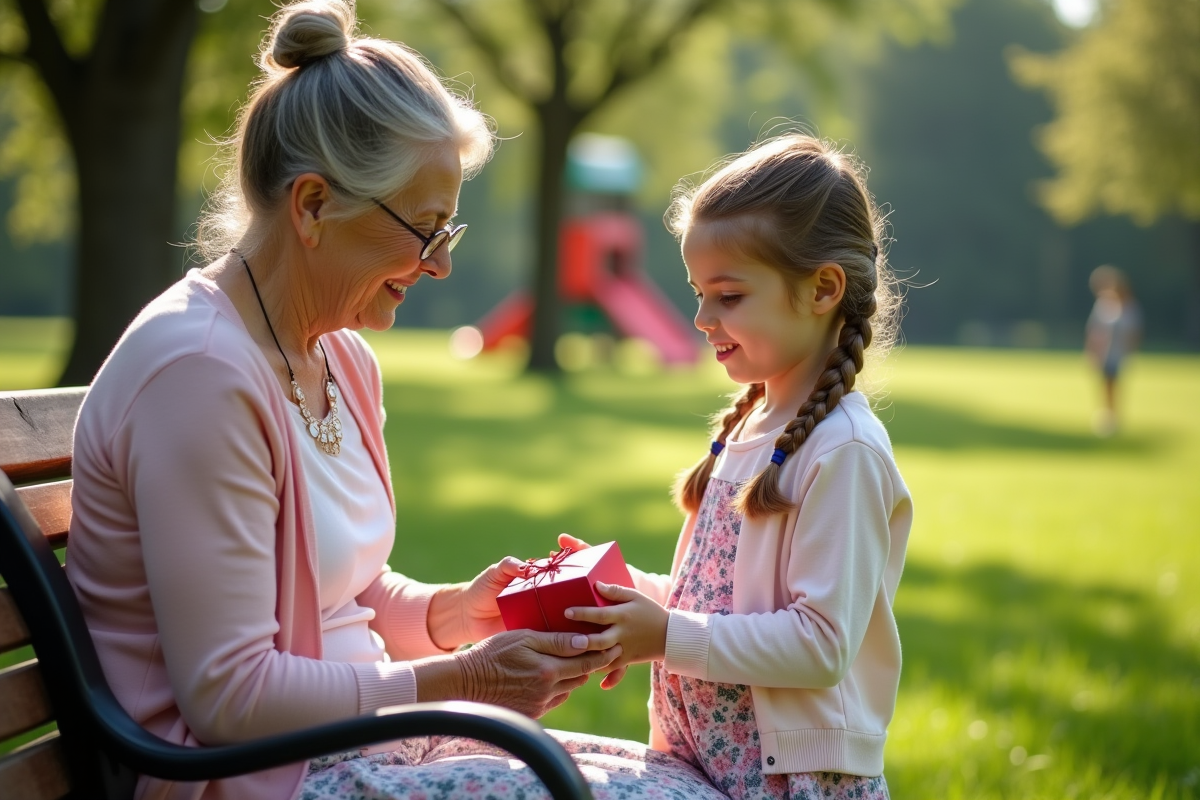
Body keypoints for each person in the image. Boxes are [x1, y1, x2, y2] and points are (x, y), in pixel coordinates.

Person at [65, 2, 726, 799]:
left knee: (688, 783)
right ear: (313, 206)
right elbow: (231, 699)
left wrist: (458, 614)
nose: (439, 265)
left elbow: (348, 596)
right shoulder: (197, 375)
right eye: (424, 229)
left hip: (353, 746)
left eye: (449, 232)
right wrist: (466, 681)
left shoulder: (338, 355)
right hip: (245, 777)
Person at [560, 135, 914, 799]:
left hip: (788, 783)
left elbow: (818, 645)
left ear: (823, 289)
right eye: (698, 294)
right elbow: (721, 606)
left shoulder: (844, 451)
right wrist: (621, 595)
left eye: (728, 296)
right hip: (704, 764)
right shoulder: (751, 428)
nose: (700, 318)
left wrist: (664, 635)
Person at [1085, 264, 1141, 436]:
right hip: (1103, 353)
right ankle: (1107, 415)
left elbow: (1134, 332)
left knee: (1113, 384)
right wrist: (1092, 351)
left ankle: (1112, 417)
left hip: (1118, 353)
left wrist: (1129, 351)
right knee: (1104, 384)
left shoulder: (1129, 307)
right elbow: (1094, 330)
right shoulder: (1103, 305)